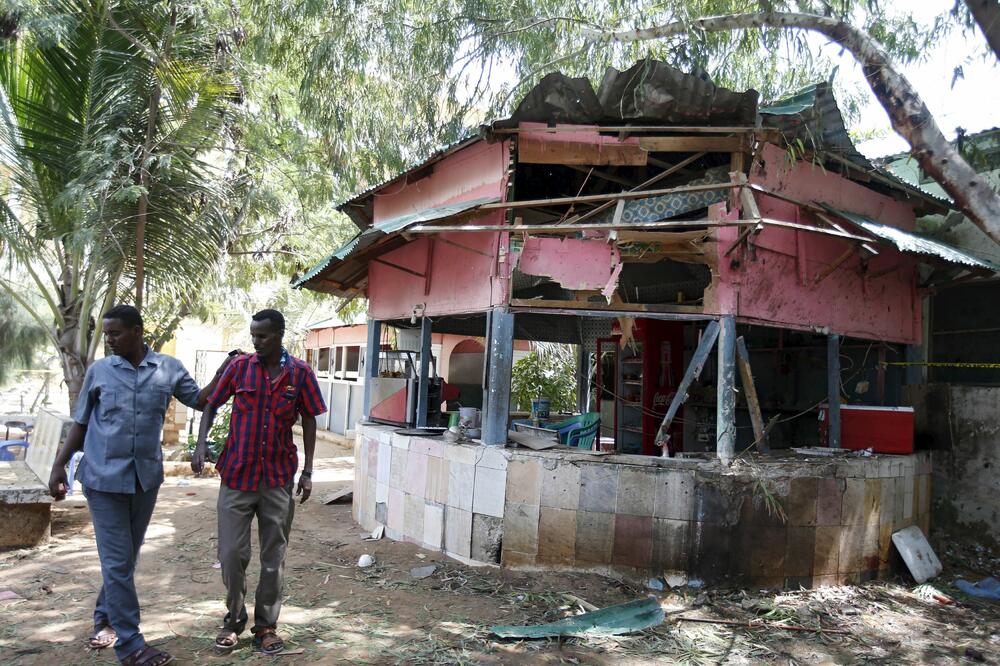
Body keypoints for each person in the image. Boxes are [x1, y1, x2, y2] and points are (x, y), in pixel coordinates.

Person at [47, 305, 232, 666]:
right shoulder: (100, 371)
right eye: (108, 333)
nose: (110, 340)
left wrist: (224, 372)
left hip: (145, 480)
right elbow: (81, 424)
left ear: (137, 331)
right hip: (103, 480)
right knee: (118, 563)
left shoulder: (169, 368)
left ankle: (104, 617)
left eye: (116, 333)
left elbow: (200, 399)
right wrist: (58, 465)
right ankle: (130, 644)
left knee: (125, 559)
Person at [192, 308, 326, 654]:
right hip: (237, 475)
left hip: (278, 478)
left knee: (273, 557)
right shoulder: (239, 368)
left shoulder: (300, 373)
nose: (256, 341)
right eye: (253, 335)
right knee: (231, 553)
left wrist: (309, 471)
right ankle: (234, 618)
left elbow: (310, 419)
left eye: (263, 336)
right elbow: (210, 404)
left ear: (279, 334)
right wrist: (201, 444)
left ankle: (266, 626)